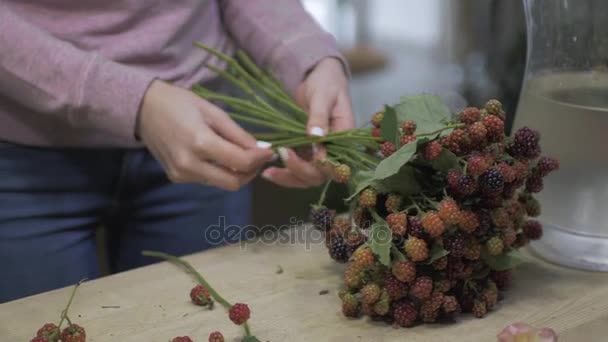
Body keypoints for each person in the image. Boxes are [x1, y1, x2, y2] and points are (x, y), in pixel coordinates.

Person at [0, 0, 354, 303]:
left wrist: (310, 56)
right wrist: (134, 102)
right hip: (24, 155)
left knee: (202, 321)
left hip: (204, 141)